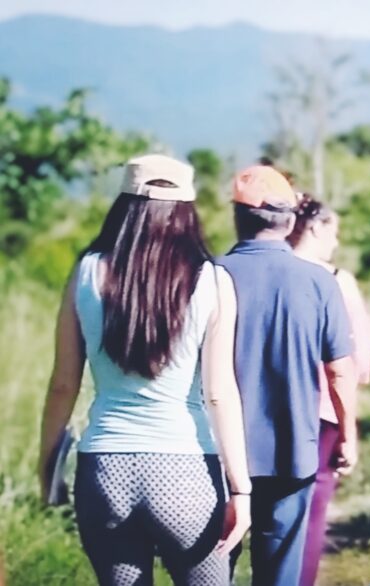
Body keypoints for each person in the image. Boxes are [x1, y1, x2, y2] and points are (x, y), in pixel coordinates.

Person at [37, 154, 251, 586]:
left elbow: (63, 385)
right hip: (186, 472)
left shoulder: (86, 272)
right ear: (187, 210)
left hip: (104, 469)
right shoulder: (210, 280)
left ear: (124, 205)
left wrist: (47, 471)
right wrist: (241, 489)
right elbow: (218, 393)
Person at [218, 167, 359, 586]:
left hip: (220, 455)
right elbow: (339, 372)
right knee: (279, 573)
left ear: (238, 218)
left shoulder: (209, 276)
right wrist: (348, 433)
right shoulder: (319, 282)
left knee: (213, 567)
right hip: (290, 451)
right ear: (291, 221)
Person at [288, 194, 370, 586]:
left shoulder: (272, 268)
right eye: (334, 231)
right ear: (317, 226)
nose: (336, 242)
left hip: (268, 407)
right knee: (314, 510)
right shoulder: (339, 280)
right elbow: (359, 362)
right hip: (323, 409)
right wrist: (348, 428)